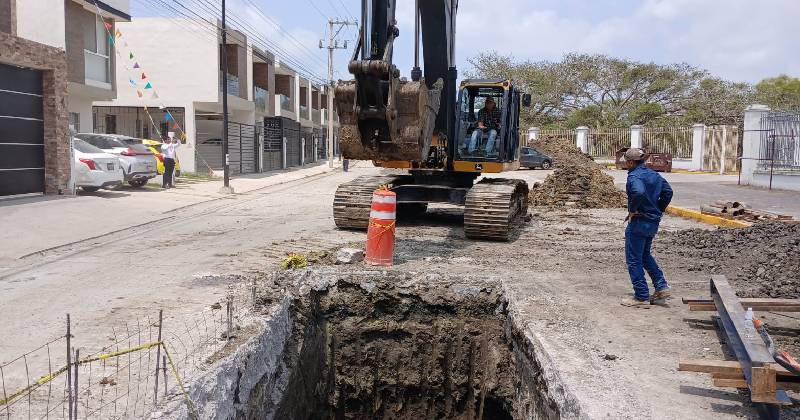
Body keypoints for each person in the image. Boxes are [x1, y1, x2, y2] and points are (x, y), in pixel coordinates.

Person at [621, 148, 674, 307]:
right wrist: (658, 209)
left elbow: (638, 191)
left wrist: (632, 210)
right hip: (652, 221)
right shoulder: (654, 174)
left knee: (634, 259)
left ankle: (641, 296)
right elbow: (668, 192)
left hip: (639, 221)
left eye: (626, 161)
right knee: (644, 255)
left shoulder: (634, 176)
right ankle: (661, 286)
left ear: (631, 162)